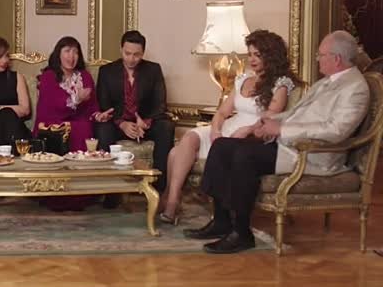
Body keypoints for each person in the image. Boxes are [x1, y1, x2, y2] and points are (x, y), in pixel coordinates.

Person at [184, 30, 370, 254]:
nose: (317, 59)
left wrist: (281, 129)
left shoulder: (355, 88)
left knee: (245, 155)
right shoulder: (325, 82)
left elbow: (336, 131)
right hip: (289, 145)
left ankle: (242, 233)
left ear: (337, 59)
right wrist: (268, 121)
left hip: (312, 154)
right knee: (222, 146)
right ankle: (222, 221)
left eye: (321, 55)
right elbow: (295, 113)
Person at [159, 30, 298, 224]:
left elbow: (270, 117)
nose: (252, 59)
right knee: (189, 137)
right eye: (250, 54)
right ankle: (173, 200)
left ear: (271, 55)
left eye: (257, 55)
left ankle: (170, 201)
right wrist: (216, 130)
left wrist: (248, 130)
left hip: (252, 135)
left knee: (176, 153)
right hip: (227, 128)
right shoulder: (243, 79)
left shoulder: (281, 84)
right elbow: (222, 112)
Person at [33, 36, 113, 211]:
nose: (72, 56)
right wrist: (76, 99)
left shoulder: (85, 76)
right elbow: (54, 105)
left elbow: (92, 107)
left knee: (84, 126)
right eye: (67, 51)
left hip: (78, 122)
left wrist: (98, 116)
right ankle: (57, 194)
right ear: (59, 54)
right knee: (76, 128)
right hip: (52, 123)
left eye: (75, 52)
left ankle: (80, 193)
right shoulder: (48, 76)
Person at [95, 31, 175, 193]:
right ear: (121, 50)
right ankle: (109, 190)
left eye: (136, 55)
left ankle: (158, 188)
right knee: (103, 129)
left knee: (166, 127)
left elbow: (160, 104)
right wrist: (122, 124)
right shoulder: (106, 71)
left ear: (143, 53)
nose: (131, 59)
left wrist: (145, 122)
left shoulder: (153, 70)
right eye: (127, 53)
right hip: (118, 124)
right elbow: (104, 105)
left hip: (144, 124)